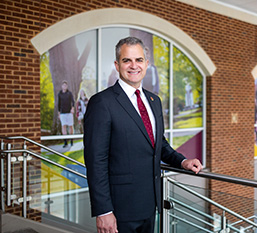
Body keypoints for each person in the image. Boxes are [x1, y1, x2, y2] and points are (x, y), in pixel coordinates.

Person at [83, 37, 202, 233]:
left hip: (150, 204)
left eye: (139, 60)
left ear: (146, 64)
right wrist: (104, 210)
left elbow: (157, 144)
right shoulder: (102, 103)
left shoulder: (154, 100)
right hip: (119, 209)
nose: (133, 66)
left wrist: (182, 162)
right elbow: (96, 161)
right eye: (126, 60)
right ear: (116, 65)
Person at [57, 80, 75, 147]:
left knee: (70, 126)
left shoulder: (69, 93)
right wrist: (59, 113)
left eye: (65, 85)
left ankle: (71, 140)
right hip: (62, 113)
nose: (64, 86)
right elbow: (58, 103)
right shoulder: (60, 94)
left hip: (69, 112)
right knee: (63, 126)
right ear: (62, 86)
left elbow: (73, 101)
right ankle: (65, 142)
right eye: (63, 85)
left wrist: (72, 108)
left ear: (67, 86)